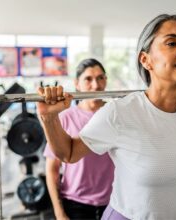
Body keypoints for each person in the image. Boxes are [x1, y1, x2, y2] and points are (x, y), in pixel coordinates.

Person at [36, 14, 176, 220]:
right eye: (172, 43)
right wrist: (48, 118)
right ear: (145, 60)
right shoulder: (120, 112)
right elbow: (68, 153)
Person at [42, 58, 114, 220]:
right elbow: (52, 169)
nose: (96, 85)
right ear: (77, 83)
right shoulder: (65, 117)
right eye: (88, 79)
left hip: (114, 203)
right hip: (75, 205)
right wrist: (59, 213)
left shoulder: (114, 115)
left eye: (100, 78)